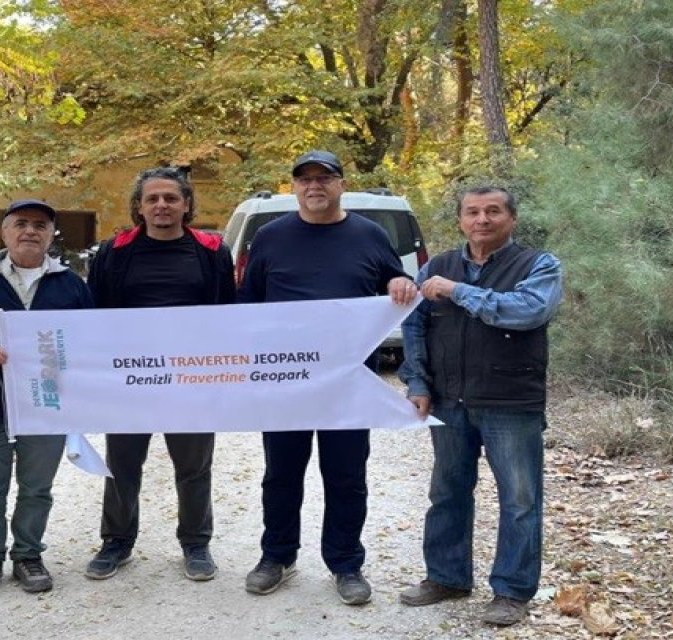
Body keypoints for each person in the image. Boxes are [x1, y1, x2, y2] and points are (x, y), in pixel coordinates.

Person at [238, 151, 419, 605]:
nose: (314, 186)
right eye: (305, 179)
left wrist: (399, 283)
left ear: (341, 183)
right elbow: (249, 304)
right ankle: (276, 556)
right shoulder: (270, 237)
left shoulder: (370, 234)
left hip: (349, 383)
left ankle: (346, 564)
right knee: (281, 473)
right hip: (286, 382)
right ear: (294, 187)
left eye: (324, 178)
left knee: (346, 475)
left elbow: (395, 283)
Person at [397, 185, 563, 627]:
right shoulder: (436, 267)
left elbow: (526, 311)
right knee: (447, 492)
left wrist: (457, 292)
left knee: (520, 500)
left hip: (511, 402)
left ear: (512, 218)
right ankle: (447, 577)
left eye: (493, 211)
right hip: (448, 401)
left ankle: (511, 591)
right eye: (472, 212)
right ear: (460, 220)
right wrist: (417, 379)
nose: (482, 220)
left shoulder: (538, 265)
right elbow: (413, 325)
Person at [83, 167, 235, 582]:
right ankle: (116, 541)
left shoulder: (211, 251)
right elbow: (95, 316)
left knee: (193, 467)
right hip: (130, 380)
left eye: (170, 198)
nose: (161, 206)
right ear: (139, 206)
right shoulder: (113, 252)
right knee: (123, 465)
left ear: (187, 204)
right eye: (152, 199)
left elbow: (228, 315)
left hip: (191, 380)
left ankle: (196, 543)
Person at [0, 199, 93, 598]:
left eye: (40, 225)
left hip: (46, 408)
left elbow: (91, 341)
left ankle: (28, 554)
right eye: (20, 223)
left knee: (37, 487)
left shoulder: (71, 285)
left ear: (50, 235)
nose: (29, 231)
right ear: (4, 232)